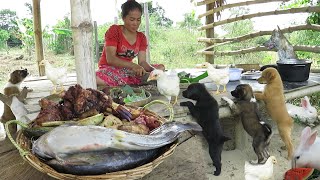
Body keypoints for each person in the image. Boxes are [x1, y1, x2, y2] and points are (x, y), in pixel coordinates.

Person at [96, 0, 165, 86]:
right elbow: (111, 59)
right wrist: (133, 66)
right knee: (96, 78)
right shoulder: (114, 31)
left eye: (138, 20)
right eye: (132, 19)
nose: (135, 23)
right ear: (123, 17)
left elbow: (142, 62)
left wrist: (154, 70)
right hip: (109, 69)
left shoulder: (141, 37)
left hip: (128, 70)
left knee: (160, 67)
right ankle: (134, 80)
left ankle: (133, 79)